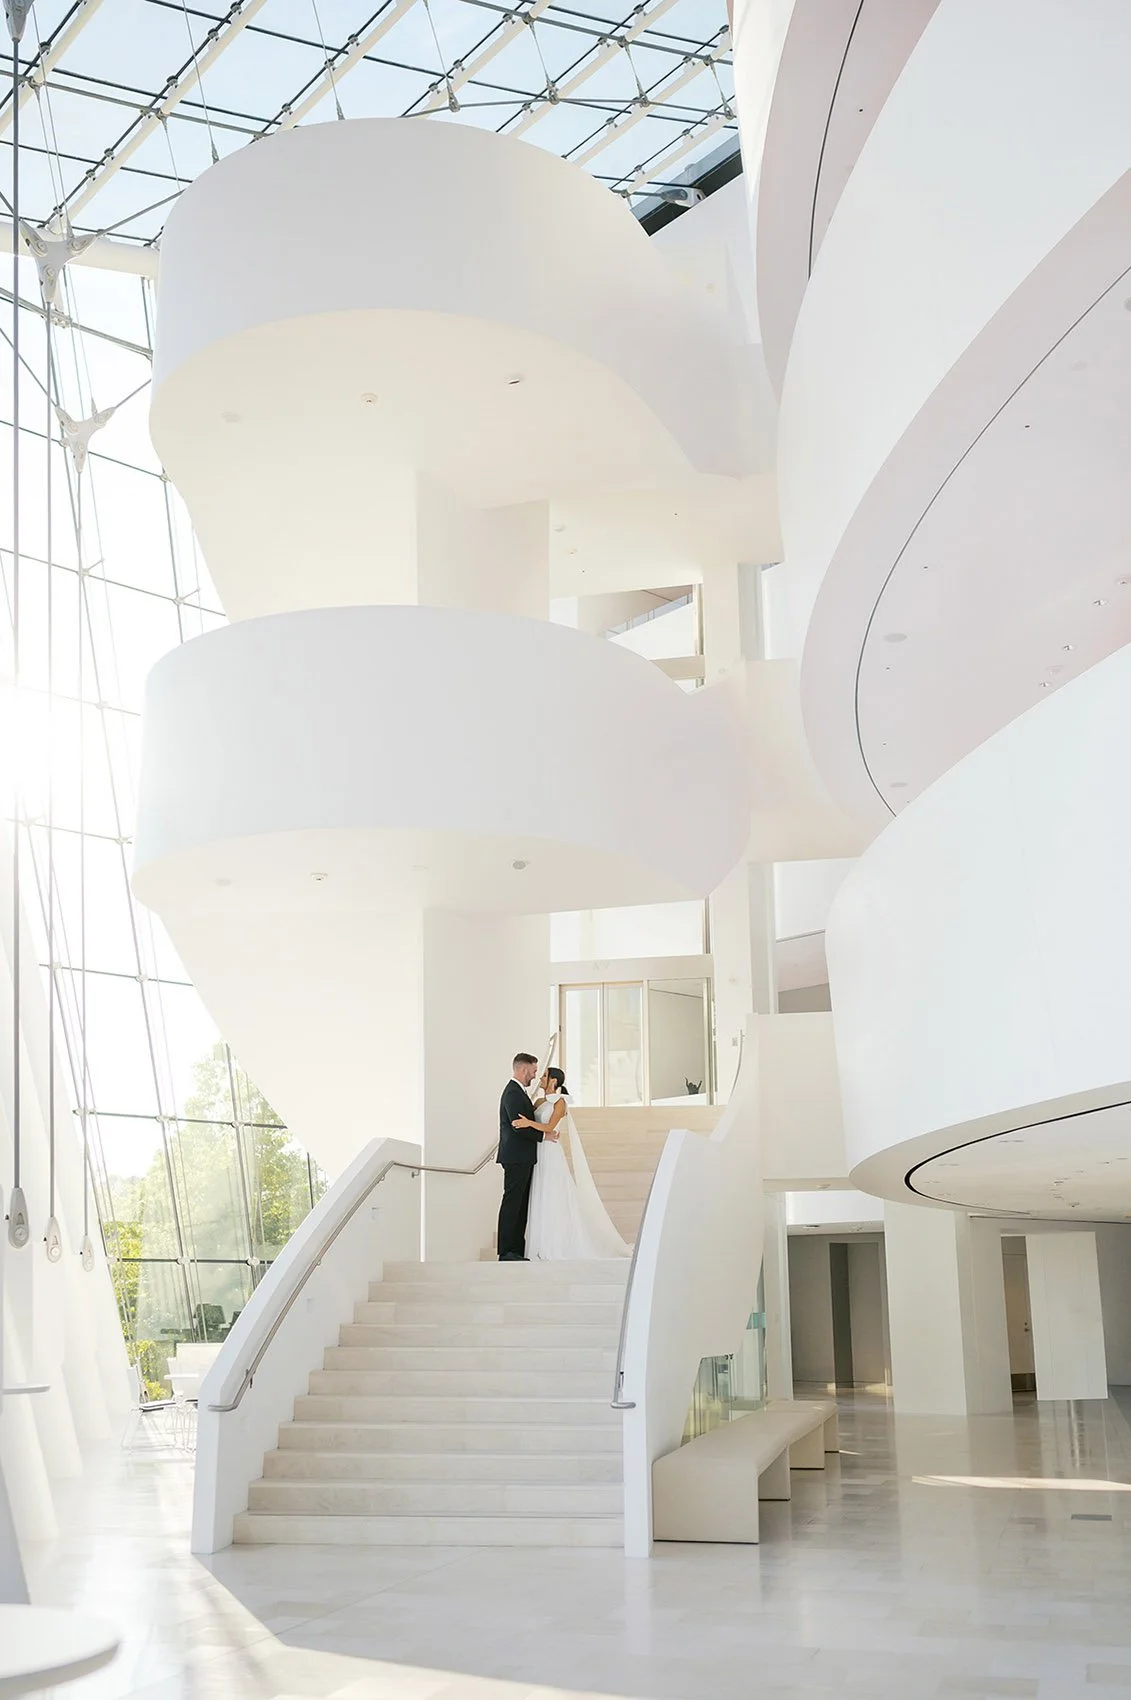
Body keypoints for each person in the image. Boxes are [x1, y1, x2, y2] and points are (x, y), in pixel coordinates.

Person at [515, 1067, 631, 1261]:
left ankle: (558, 1244)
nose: (540, 1078)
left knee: (553, 1194)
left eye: (544, 1076)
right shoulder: (538, 1102)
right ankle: (539, 1245)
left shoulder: (560, 1102)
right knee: (540, 1193)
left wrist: (528, 1123)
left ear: (554, 1081)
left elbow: (550, 1127)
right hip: (537, 1151)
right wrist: (530, 1125)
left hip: (551, 1153)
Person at [496, 1052, 556, 1261]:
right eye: (533, 1071)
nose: (534, 1075)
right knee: (513, 1204)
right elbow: (518, 1127)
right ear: (523, 1070)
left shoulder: (519, 1092)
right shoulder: (513, 1093)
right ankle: (507, 1251)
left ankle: (515, 1249)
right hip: (516, 1157)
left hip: (521, 1156)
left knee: (519, 1204)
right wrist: (543, 1135)